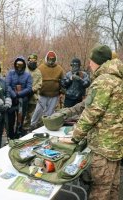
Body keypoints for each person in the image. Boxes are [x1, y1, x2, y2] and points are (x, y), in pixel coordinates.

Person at [68, 45, 123, 200]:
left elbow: (92, 113)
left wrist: (75, 136)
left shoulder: (103, 81)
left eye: (91, 61)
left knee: (100, 191)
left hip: (103, 148)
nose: (89, 65)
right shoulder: (119, 79)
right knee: (112, 189)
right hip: (116, 146)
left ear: (97, 62)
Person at [30, 51, 64, 130]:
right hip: (42, 93)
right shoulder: (41, 67)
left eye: (53, 59)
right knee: (38, 110)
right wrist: (35, 91)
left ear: (55, 59)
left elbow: (63, 81)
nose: (51, 60)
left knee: (50, 112)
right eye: (49, 59)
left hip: (54, 94)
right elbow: (36, 80)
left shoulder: (59, 69)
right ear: (46, 58)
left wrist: (62, 92)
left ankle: (47, 126)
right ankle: (33, 124)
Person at [6, 56, 32, 139]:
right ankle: (10, 135)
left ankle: (18, 134)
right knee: (11, 119)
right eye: (18, 64)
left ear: (24, 65)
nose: (19, 66)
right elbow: (7, 85)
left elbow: (29, 88)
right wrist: (14, 95)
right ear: (15, 64)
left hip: (23, 100)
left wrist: (19, 94)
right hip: (12, 99)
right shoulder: (11, 73)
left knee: (20, 118)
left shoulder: (28, 75)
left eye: (21, 64)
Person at [24, 53, 42, 131]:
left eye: (34, 60)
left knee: (30, 114)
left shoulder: (38, 71)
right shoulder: (24, 70)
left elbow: (40, 83)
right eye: (31, 60)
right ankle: (20, 128)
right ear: (28, 61)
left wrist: (33, 89)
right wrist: (27, 90)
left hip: (33, 96)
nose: (33, 62)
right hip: (24, 95)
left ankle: (27, 128)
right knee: (22, 113)